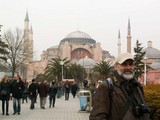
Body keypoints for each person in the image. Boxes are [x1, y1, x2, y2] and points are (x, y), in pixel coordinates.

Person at [89, 52, 150, 120]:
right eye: (124, 64)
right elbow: (97, 117)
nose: (128, 68)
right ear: (116, 66)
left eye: (131, 64)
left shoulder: (137, 85)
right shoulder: (106, 87)